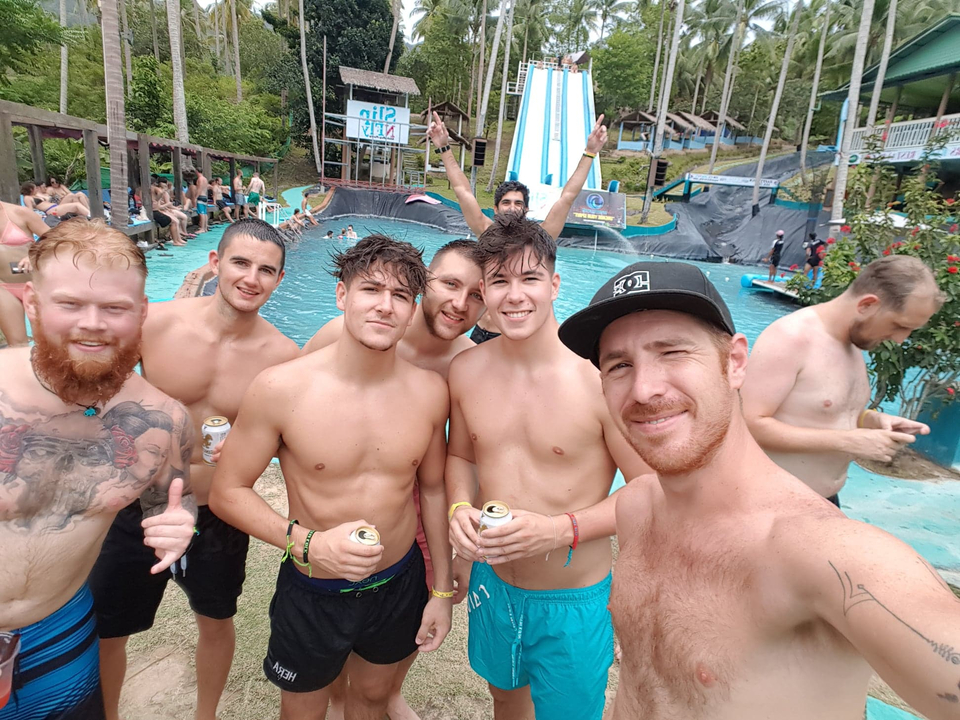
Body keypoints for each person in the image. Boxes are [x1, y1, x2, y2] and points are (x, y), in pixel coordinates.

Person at [557, 260, 960, 720]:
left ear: (735, 362)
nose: (644, 389)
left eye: (671, 352)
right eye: (620, 365)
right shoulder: (637, 508)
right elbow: (642, 686)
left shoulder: (829, 556)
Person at [209, 235, 454, 720]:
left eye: (401, 296)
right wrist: (307, 544)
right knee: (304, 711)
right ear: (342, 295)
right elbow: (226, 492)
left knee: (371, 700)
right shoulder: (281, 388)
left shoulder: (430, 393)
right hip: (314, 588)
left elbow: (431, 488)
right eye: (371, 290)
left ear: (413, 310)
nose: (385, 307)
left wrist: (441, 590)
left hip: (397, 581)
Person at [91, 219, 300, 720]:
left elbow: (284, 439)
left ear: (279, 280)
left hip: (215, 513)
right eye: (241, 263)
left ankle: (204, 715)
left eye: (267, 270)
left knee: (216, 618)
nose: (252, 278)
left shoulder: (282, 358)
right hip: (136, 505)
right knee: (108, 628)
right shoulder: (155, 324)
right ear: (215, 263)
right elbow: (95, 393)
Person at [446, 214, 651, 720]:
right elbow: (461, 455)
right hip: (494, 584)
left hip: (572, 599)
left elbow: (650, 488)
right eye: (499, 281)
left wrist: (561, 530)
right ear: (484, 292)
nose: (515, 295)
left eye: (529, 278)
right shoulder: (467, 370)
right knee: (505, 699)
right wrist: (457, 508)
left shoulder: (597, 380)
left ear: (554, 283)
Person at [0, 218, 197, 720]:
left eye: (114, 308)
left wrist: (181, 524)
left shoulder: (165, 421)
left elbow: (173, 500)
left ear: (142, 312)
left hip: (59, 632)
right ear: (32, 303)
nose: (94, 323)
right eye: (70, 304)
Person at [302, 238, 485, 720]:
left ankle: (384, 695)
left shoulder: (466, 364)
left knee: (403, 625)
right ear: (423, 284)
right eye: (449, 283)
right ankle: (347, 696)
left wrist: (460, 553)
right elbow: (292, 403)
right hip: (348, 509)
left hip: (421, 514)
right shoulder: (355, 331)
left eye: (477, 294)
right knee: (337, 623)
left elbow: (468, 456)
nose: (459, 303)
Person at [741, 255, 941, 505]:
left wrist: (874, 420)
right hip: (773, 504)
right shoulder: (791, 338)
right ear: (867, 304)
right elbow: (748, 424)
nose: (900, 339)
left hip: (824, 500)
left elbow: (826, 411)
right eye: (899, 325)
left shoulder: (852, 343)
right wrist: (850, 441)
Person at [427, 110, 608, 239]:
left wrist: (590, 152)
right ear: (496, 209)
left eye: (518, 203)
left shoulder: (541, 237)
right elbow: (462, 190)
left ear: (526, 209)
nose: (512, 207)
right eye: (506, 202)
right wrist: (444, 148)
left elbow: (568, 197)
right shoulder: (485, 230)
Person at [0, 200, 48, 346]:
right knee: (16, 342)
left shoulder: (19, 213)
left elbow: (56, 239)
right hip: (3, 287)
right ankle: (22, 368)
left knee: (46, 342)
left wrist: (32, 255)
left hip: (35, 284)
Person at [20, 182, 89, 218]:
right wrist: (38, 215)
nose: (37, 190)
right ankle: (92, 216)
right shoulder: (27, 198)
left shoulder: (35, 195)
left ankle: (87, 213)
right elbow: (30, 210)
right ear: (31, 189)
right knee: (76, 205)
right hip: (51, 210)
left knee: (73, 197)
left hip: (55, 206)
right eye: (35, 188)